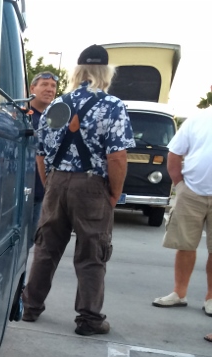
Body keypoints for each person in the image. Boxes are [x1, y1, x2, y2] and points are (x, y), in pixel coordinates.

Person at [21, 45, 135, 335]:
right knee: (92, 254)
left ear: (78, 72)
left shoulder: (58, 104)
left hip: (57, 182)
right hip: (92, 185)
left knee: (46, 248)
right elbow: (117, 157)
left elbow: (40, 152)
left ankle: (30, 306)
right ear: (106, 73)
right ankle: (89, 319)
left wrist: (50, 182)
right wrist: (113, 193)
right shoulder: (112, 105)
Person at [151, 108, 212, 314]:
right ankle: (179, 293)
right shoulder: (196, 119)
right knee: (185, 245)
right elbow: (175, 153)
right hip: (191, 192)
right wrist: (180, 186)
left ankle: (211, 298)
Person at [28, 72, 59, 244]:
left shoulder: (56, 120)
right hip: (14, 190)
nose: (49, 89)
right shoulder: (18, 115)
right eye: (44, 84)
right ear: (32, 88)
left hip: (43, 193)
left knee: (34, 241)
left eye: (53, 86)